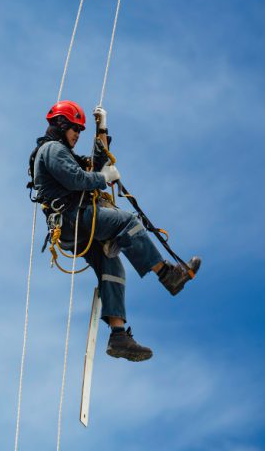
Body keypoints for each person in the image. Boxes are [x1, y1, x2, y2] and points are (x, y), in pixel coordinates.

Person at [29, 100, 201, 362]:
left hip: (75, 224)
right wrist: (104, 179)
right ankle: (168, 275)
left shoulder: (63, 152)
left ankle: (118, 335)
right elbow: (77, 179)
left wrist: (102, 128)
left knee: (113, 267)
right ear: (61, 125)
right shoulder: (52, 149)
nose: (77, 134)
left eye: (80, 130)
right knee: (127, 222)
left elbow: (94, 165)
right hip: (73, 218)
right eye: (75, 128)